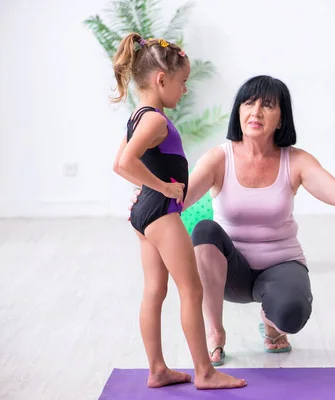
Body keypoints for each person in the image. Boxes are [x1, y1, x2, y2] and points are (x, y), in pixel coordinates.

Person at [129, 75, 335, 366]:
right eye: (249, 103)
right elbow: (179, 198)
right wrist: (148, 196)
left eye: (268, 105)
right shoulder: (219, 158)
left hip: (281, 264)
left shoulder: (295, 161)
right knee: (205, 230)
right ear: (239, 111)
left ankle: (272, 324)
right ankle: (215, 333)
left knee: (291, 314)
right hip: (228, 271)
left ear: (281, 119)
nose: (256, 111)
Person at [111, 32, 246, 390]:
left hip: (144, 216)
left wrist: (145, 192)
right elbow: (125, 164)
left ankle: (157, 370)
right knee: (192, 290)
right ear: (161, 80)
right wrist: (163, 189)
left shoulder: (137, 119)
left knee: (155, 290)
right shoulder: (155, 120)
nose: (184, 90)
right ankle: (205, 372)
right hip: (161, 213)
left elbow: (120, 163)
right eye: (183, 82)